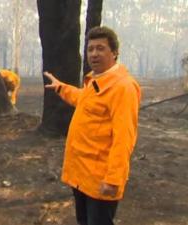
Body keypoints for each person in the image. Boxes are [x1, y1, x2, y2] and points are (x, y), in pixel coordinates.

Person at [44, 26, 141, 225]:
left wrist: (114, 179)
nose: (94, 54)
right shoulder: (96, 81)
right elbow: (84, 100)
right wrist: (61, 88)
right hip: (82, 175)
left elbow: (125, 137)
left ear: (114, 52)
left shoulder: (123, 87)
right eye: (90, 49)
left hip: (100, 180)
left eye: (100, 48)